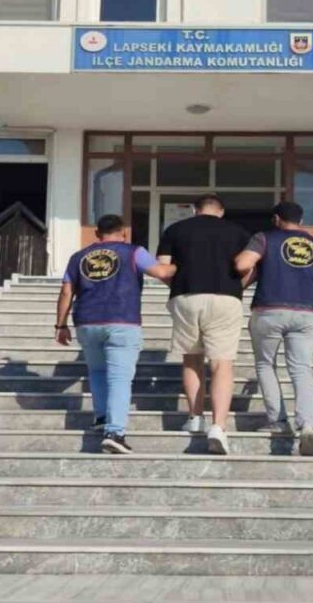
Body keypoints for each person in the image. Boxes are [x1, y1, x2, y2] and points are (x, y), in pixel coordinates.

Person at [55, 214, 174, 454]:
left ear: (97, 234)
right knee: (119, 378)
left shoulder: (78, 257)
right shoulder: (133, 252)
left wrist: (60, 325)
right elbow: (162, 272)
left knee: (98, 372)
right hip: (122, 320)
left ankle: (101, 417)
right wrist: (181, 263)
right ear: (124, 233)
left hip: (87, 321)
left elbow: (67, 291)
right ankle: (115, 432)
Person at [234, 202, 313, 457]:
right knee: (301, 369)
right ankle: (307, 425)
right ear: (301, 221)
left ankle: (279, 421)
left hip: (269, 309)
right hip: (307, 313)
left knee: (265, 365)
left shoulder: (264, 239)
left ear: (276, 219)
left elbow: (242, 265)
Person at [155, 194, 252, 455]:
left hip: (186, 297)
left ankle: (195, 417)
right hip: (226, 298)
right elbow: (249, 266)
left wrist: (178, 285)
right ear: (221, 211)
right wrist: (239, 287)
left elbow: (162, 267)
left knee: (191, 359)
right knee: (222, 363)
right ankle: (218, 426)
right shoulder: (239, 232)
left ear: (195, 211)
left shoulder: (175, 229)